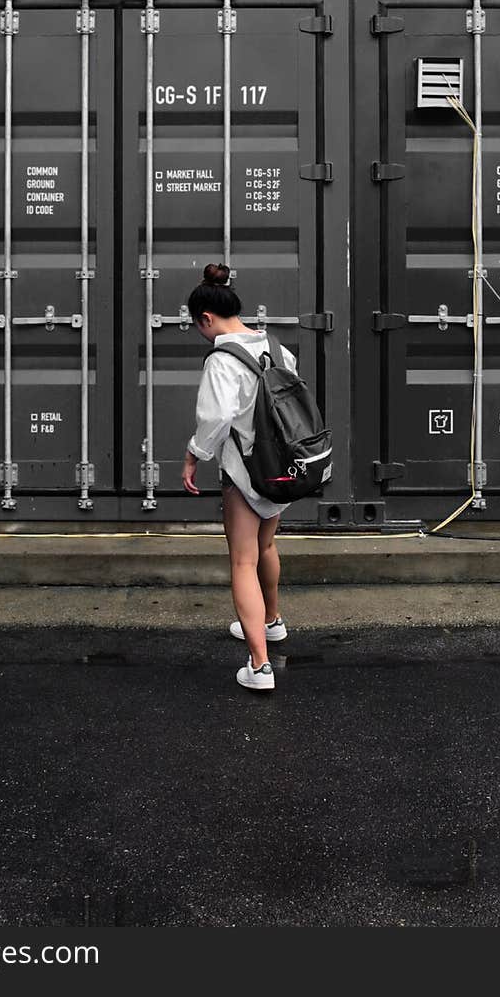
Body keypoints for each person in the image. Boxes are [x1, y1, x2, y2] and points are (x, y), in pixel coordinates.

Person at [181, 262, 298, 692]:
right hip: (281, 469)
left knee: (242, 561)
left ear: (207, 318)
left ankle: (259, 666)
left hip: (245, 472)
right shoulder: (278, 348)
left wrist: (194, 456)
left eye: (198, 326)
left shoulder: (222, 360)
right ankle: (272, 622)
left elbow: (215, 419)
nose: (200, 333)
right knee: (266, 545)